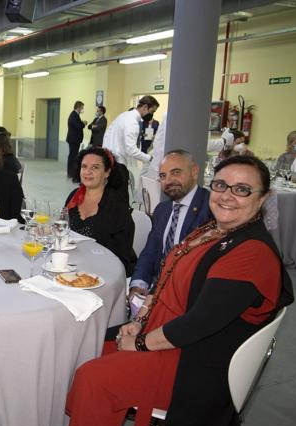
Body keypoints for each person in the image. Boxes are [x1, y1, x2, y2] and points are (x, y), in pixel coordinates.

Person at [65, 155, 294, 426]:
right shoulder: (214, 229)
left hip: (195, 359)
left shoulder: (251, 253)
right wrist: (140, 321)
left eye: (242, 189)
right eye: (221, 185)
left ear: (263, 198)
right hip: (169, 334)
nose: (227, 196)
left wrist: (139, 343)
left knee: (93, 377)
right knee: (85, 344)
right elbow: (167, 278)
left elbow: (199, 323)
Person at [129, 150, 212, 315]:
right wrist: (139, 285)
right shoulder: (163, 209)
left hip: (184, 301)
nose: (168, 181)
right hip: (155, 290)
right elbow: (150, 252)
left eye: (176, 172)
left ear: (194, 171)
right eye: (163, 176)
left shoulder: (210, 209)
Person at [64, 148, 137, 276]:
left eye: (95, 167)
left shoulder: (117, 206)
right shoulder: (74, 197)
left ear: (107, 172)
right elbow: (64, 229)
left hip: (106, 270)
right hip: (75, 265)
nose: (87, 172)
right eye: (84, 166)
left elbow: (120, 253)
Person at [102, 96, 159, 196]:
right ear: (145, 107)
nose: (152, 115)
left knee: (108, 195)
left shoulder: (123, 116)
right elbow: (131, 150)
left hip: (108, 160)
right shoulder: (132, 123)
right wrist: (149, 158)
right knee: (119, 198)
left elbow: (107, 135)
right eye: (152, 111)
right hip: (117, 165)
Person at [66, 101, 86, 177]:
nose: (82, 109)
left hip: (75, 139)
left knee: (74, 155)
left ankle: (72, 172)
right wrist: (83, 123)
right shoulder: (73, 115)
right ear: (78, 107)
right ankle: (70, 172)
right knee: (72, 156)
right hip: (73, 139)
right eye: (82, 108)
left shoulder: (76, 115)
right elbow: (78, 126)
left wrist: (81, 123)